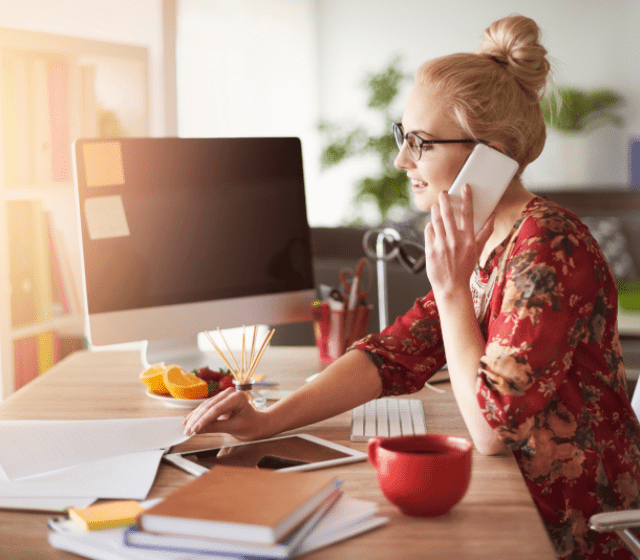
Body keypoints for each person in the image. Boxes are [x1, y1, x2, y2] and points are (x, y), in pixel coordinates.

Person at [184, 14, 640, 560]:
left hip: (575, 525)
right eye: (404, 137)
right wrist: (266, 422)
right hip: (520, 499)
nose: (402, 160)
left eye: (420, 143)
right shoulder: (483, 236)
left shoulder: (549, 246)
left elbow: (493, 430)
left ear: (489, 154)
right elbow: (393, 353)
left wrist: (449, 291)